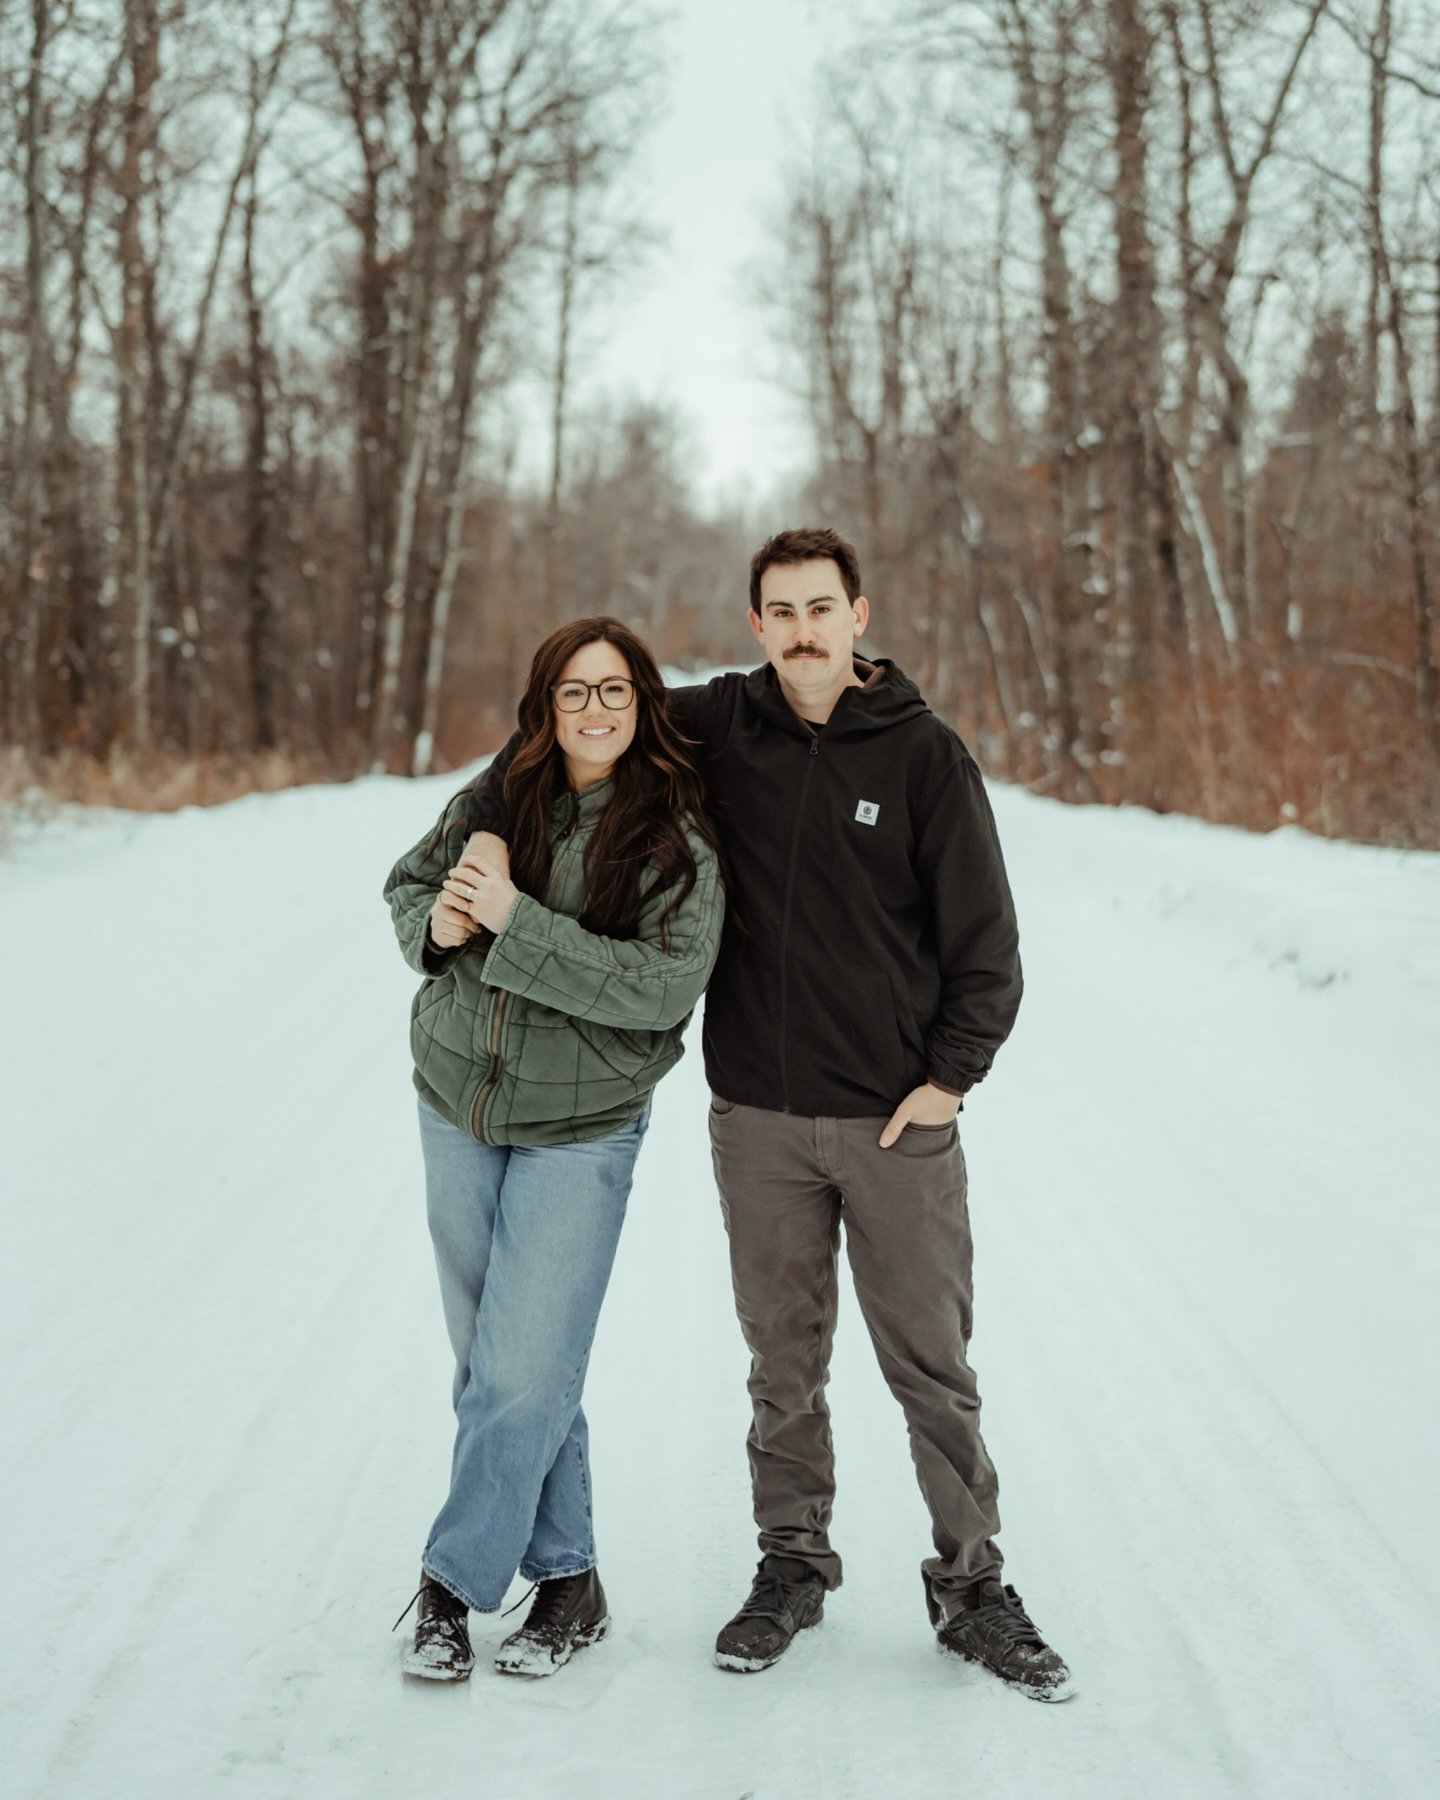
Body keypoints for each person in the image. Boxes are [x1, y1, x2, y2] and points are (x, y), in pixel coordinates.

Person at [467, 528, 1072, 1701]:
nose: (801, 629)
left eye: (820, 608)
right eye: (780, 612)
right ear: (755, 626)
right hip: (756, 1119)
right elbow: (587, 719)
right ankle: (791, 1565)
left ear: (858, 614)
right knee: (781, 1364)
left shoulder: (925, 758)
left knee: (929, 1366)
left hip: (898, 1124)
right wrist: (493, 815)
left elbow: (988, 949)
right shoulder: (717, 724)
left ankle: (973, 1588)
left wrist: (946, 1081)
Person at [383, 616, 723, 1683]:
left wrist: (515, 925)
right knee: (502, 1371)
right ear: (547, 704)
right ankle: (570, 1583)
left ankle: (450, 1584)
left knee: (520, 1370)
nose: (594, 711)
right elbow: (407, 890)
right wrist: (435, 928)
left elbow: (663, 990)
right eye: (574, 693)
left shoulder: (674, 838)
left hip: (581, 1128)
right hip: (457, 1105)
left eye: (614, 691)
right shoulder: (497, 799)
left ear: (643, 703)